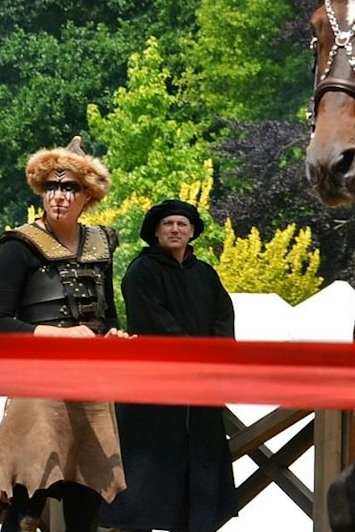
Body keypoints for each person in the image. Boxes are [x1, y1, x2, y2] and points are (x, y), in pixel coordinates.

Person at [0, 138, 129, 531]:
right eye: (50, 186)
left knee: (86, 507)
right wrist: (62, 336)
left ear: (87, 195)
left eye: (68, 188)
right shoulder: (19, 245)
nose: (59, 196)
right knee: (27, 509)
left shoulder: (101, 244)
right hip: (38, 388)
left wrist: (112, 335)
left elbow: (106, 315)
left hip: (91, 389)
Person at [101, 200, 238, 532]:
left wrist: (216, 357)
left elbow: (224, 317)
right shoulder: (141, 271)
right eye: (168, 224)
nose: (175, 229)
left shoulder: (205, 273)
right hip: (155, 391)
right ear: (156, 231)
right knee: (147, 482)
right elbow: (154, 323)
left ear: (192, 232)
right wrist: (195, 356)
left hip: (202, 391)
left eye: (182, 224)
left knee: (199, 482)